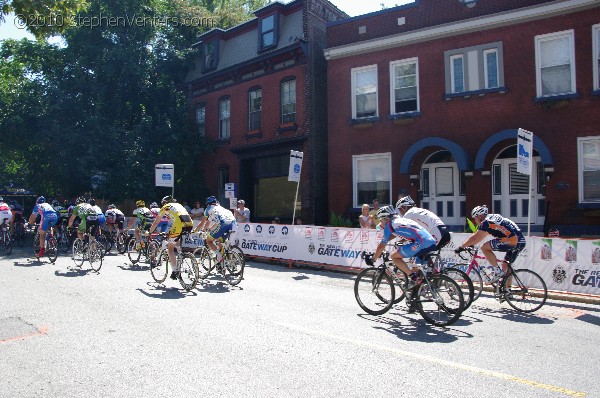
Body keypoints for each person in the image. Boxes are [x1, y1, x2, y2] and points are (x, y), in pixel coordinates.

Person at [365, 205, 437, 311]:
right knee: (416, 270)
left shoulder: (389, 225)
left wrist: (374, 259)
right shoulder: (400, 220)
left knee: (394, 256)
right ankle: (415, 301)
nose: (381, 223)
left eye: (381, 220)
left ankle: (412, 277)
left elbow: (381, 245)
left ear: (385, 218)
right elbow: (396, 234)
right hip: (430, 241)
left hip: (420, 243)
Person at [455, 205, 526, 280]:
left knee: (484, 247)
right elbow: (480, 237)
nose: (475, 221)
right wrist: (472, 244)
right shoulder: (492, 219)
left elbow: (475, 237)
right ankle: (507, 289)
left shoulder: (486, 222)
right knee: (506, 266)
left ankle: (497, 271)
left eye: (475, 218)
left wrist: (461, 247)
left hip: (512, 240)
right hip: (521, 241)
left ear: (480, 216)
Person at [149, 196, 193, 280]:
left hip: (179, 225)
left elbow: (156, 222)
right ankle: (180, 255)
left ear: (164, 203)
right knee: (176, 240)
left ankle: (175, 270)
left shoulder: (165, 207)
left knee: (170, 248)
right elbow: (173, 220)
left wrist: (150, 232)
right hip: (189, 223)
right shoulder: (179, 205)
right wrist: (168, 231)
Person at [194, 196, 237, 264]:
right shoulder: (221, 208)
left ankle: (219, 256)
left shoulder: (208, 209)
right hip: (234, 224)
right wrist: (210, 229)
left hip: (223, 224)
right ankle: (227, 263)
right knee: (222, 242)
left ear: (208, 204)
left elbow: (202, 224)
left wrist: (194, 231)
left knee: (209, 240)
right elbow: (214, 223)